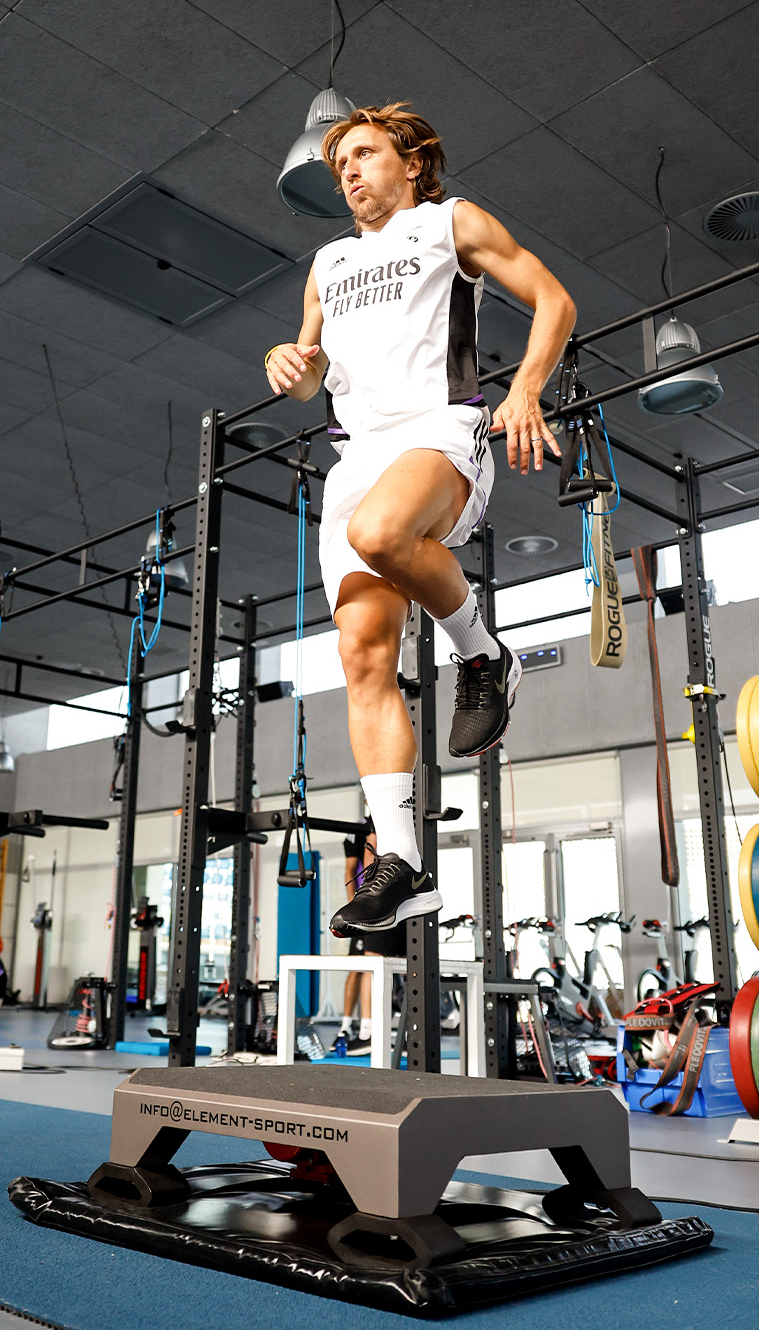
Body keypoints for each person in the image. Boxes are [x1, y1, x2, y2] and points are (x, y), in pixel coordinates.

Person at [264, 102, 575, 937]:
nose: (350, 173)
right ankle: (402, 865)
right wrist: (285, 363)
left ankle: (483, 654)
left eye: (364, 154)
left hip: (440, 429)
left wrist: (525, 389)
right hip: (356, 452)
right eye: (340, 166)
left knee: (382, 532)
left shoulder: (450, 223)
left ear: (411, 161)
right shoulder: (328, 262)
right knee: (364, 657)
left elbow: (553, 299)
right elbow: (305, 375)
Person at [333, 819, 406, 1058]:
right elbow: (355, 868)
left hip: (393, 902)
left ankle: (377, 1033)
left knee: (382, 963)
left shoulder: (396, 819)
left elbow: (376, 863)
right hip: (382, 903)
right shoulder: (366, 828)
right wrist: (356, 906)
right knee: (363, 965)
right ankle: (360, 1029)